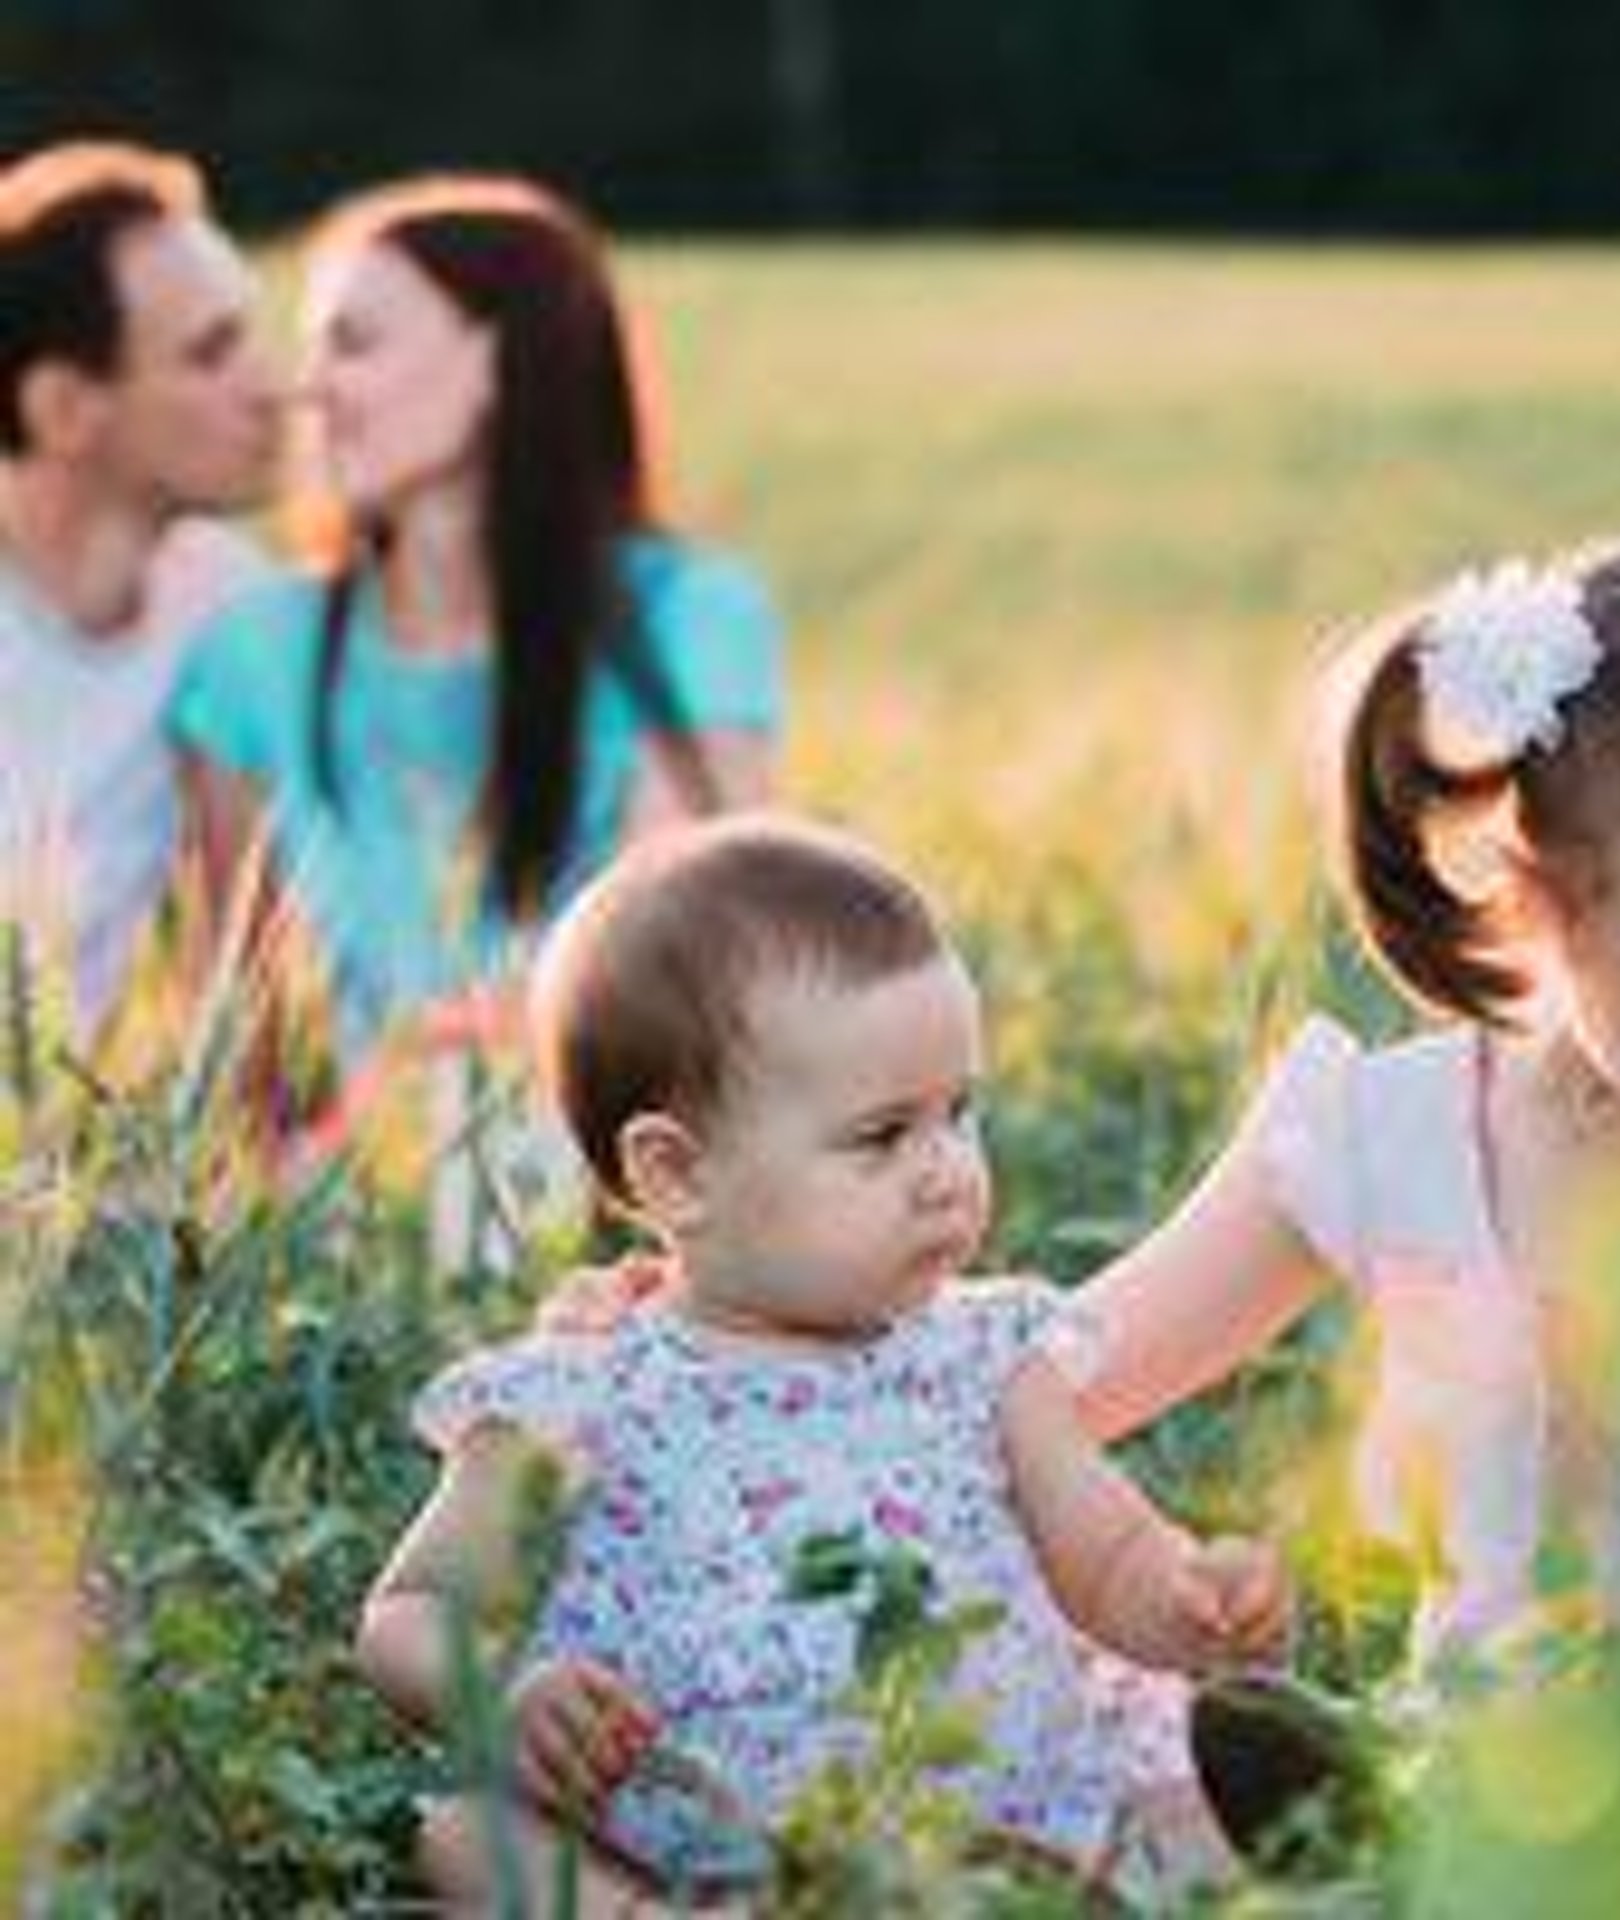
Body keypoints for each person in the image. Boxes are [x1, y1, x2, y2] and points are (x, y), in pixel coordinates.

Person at [356, 816, 1287, 1913]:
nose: (946, 1172)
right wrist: (504, 1698)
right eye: (882, 1136)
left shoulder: (986, 1354)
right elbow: (409, 1613)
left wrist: (1186, 1600)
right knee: (466, 1836)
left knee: (1174, 1802)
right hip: (713, 1840)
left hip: (1011, 1816)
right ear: (675, 1176)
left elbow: (1107, 1556)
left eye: (959, 1114)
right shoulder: (576, 1395)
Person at [1060, 517, 1620, 1666]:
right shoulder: (1393, 1136)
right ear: (1532, 906)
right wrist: (1137, 1567)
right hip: (1481, 1801)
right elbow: (1072, 1376)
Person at [169, 173, 781, 1086]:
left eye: (354, 343)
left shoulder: (688, 620)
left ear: (504, 360)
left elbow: (670, 1000)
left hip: (611, 1188)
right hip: (337, 1208)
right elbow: (239, 1063)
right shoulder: (251, 657)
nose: (312, 388)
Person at [0, 139, 280, 1043]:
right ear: (64, 411)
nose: (272, 389)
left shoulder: (229, 601)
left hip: (114, 1163)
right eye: (212, 353)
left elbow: (261, 978)